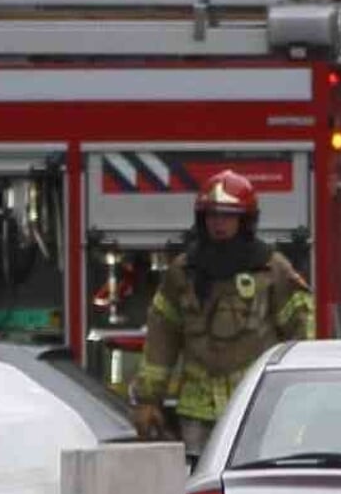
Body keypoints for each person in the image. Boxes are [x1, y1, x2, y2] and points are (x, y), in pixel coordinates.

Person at [129, 169, 315, 454]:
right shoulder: (183, 272)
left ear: (245, 220)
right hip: (197, 411)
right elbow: (160, 339)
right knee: (199, 486)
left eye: (228, 215)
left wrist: (298, 403)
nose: (219, 223)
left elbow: (302, 338)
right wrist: (147, 400)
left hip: (255, 406)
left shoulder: (272, 269)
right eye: (212, 215)